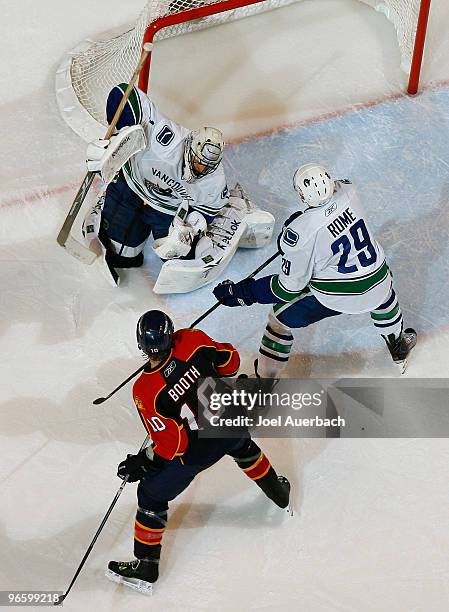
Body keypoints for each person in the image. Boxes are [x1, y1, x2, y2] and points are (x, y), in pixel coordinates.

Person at [105, 310, 290, 595]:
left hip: (196, 452)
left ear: (141, 345)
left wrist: (144, 462)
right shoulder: (192, 340)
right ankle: (278, 493)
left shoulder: (146, 390)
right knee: (243, 446)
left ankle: (146, 565)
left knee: (151, 495)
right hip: (230, 421)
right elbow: (231, 362)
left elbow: (171, 446)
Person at [213, 163, 417, 375]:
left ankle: (264, 382)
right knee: (381, 290)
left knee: (278, 320)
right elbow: (334, 196)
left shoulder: (301, 233)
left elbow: (287, 289)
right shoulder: (349, 191)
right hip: (380, 281)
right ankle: (397, 346)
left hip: (338, 296)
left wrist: (245, 293)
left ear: (301, 196)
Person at [83, 83, 274, 289]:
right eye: (198, 162)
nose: (200, 169)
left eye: (206, 166)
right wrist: (115, 140)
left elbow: (206, 211)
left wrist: (191, 225)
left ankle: (236, 207)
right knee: (123, 255)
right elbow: (124, 94)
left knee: (177, 256)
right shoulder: (166, 139)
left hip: (168, 208)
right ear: (190, 146)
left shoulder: (213, 179)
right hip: (132, 186)